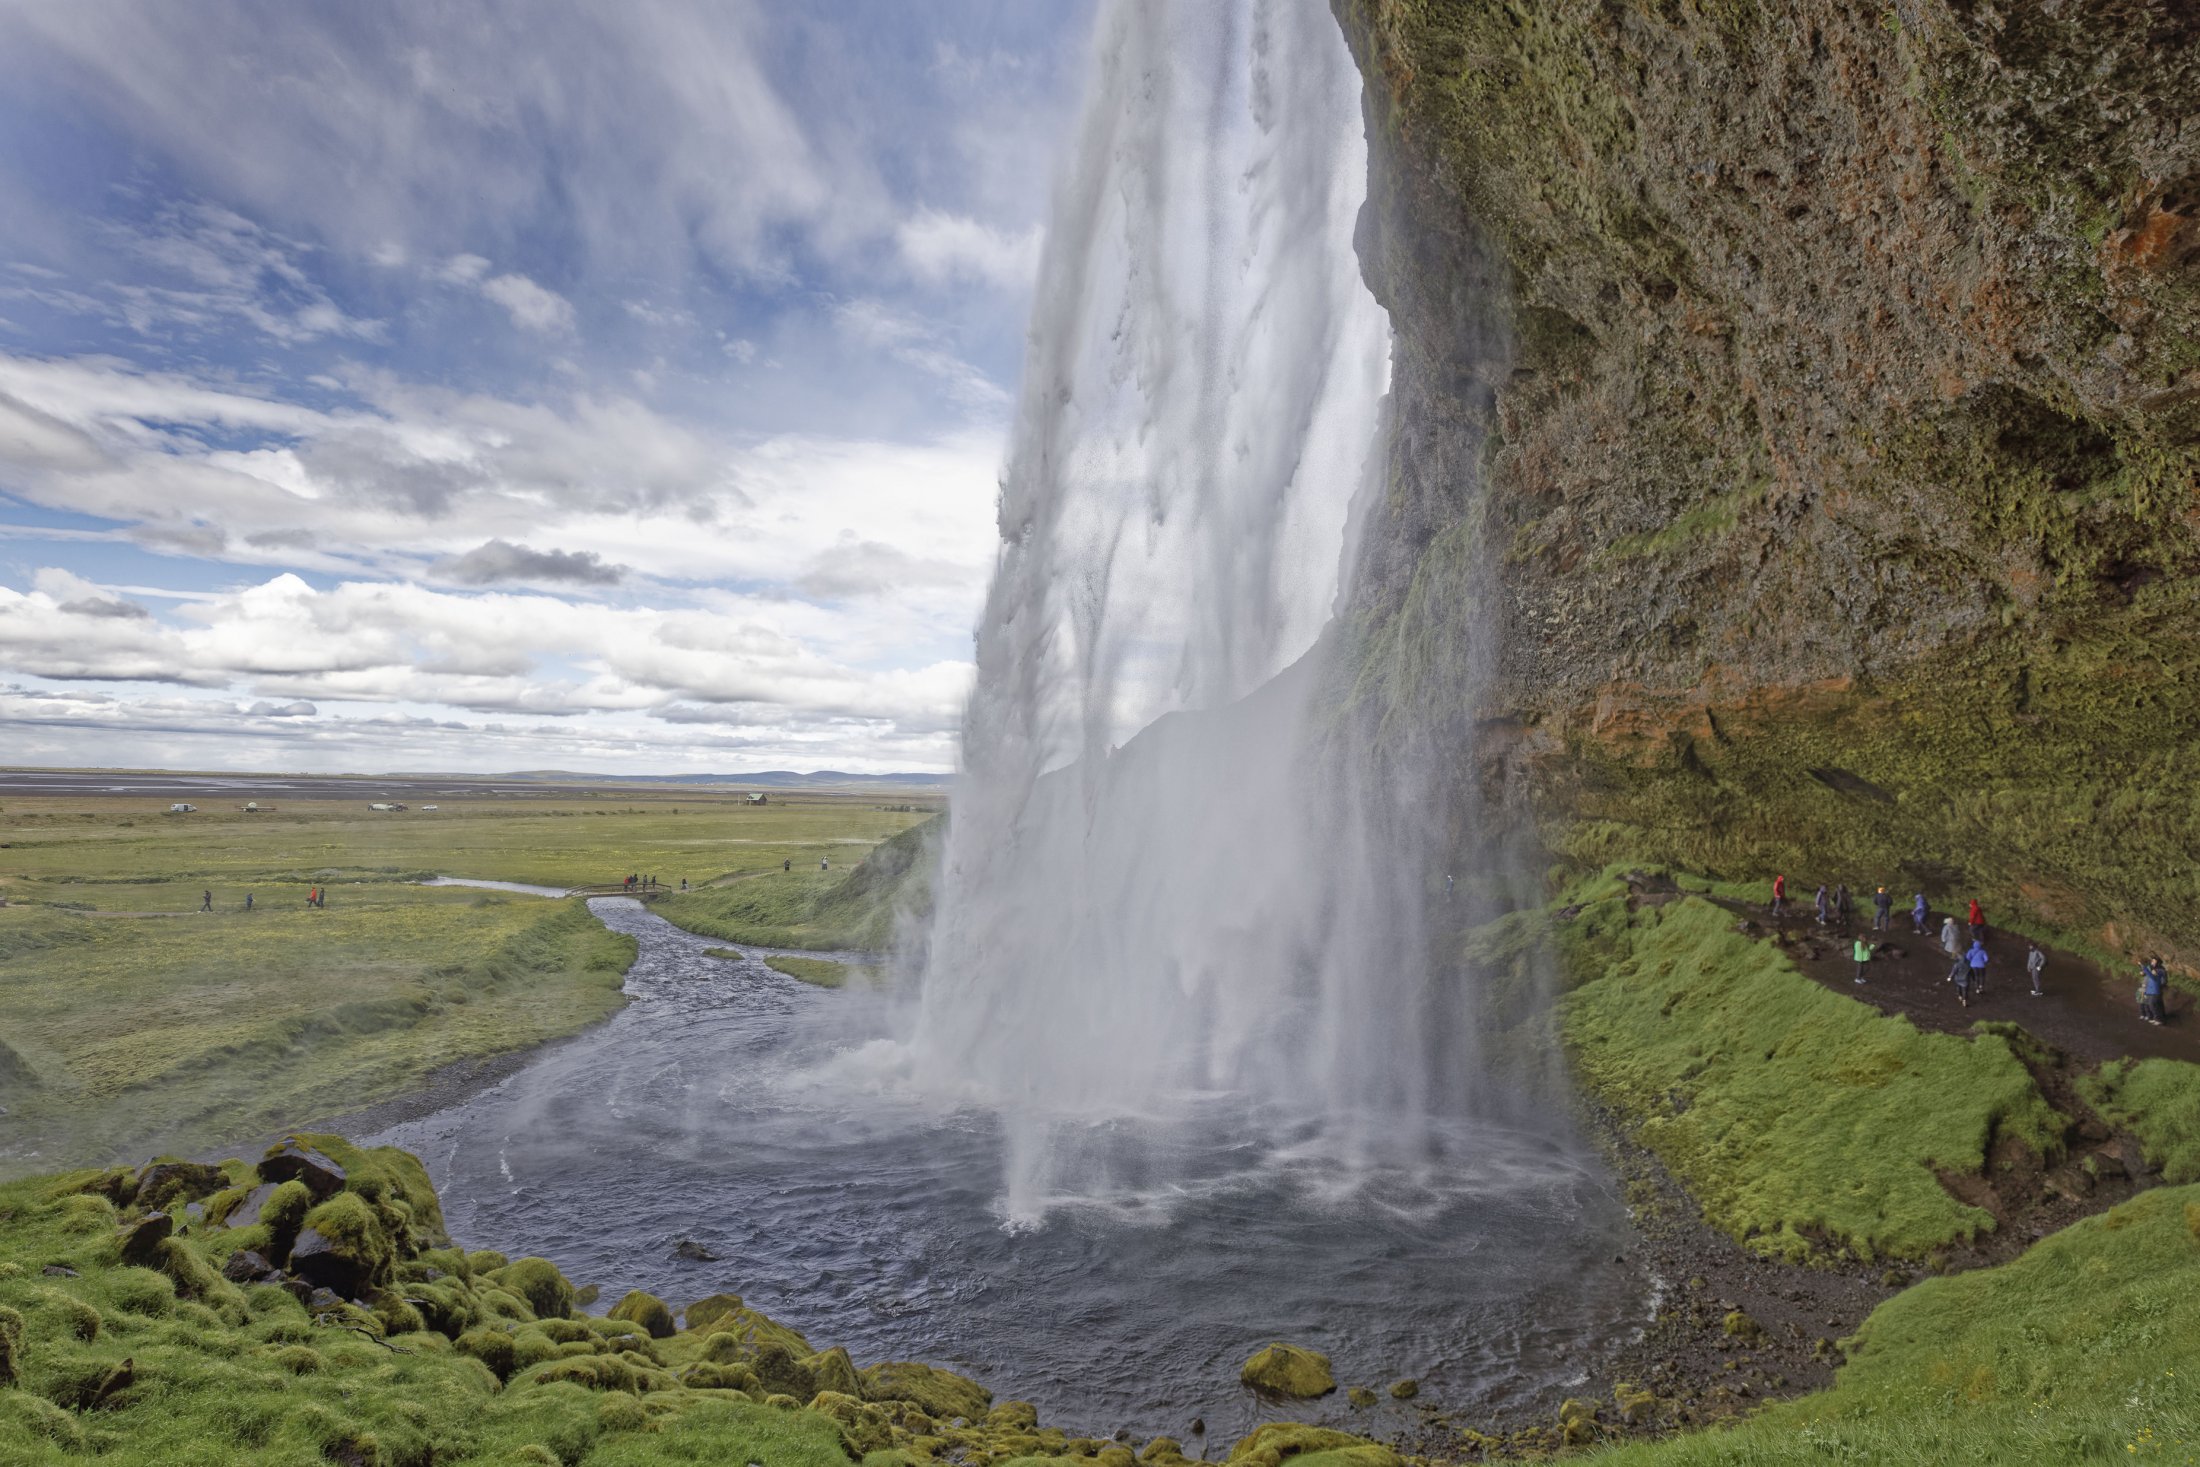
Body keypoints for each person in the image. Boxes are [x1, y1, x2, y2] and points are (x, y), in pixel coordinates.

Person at [2140, 959, 2166, 1026]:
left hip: (2156, 992)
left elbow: (2151, 975)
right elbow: (2147, 976)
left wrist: (2144, 967)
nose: (2152, 962)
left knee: (2153, 1005)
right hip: (2151, 991)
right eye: (2152, 961)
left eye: (2154, 961)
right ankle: (2156, 1018)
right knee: (2151, 1004)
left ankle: (2159, 1019)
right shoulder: (2154, 972)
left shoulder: (2159, 973)